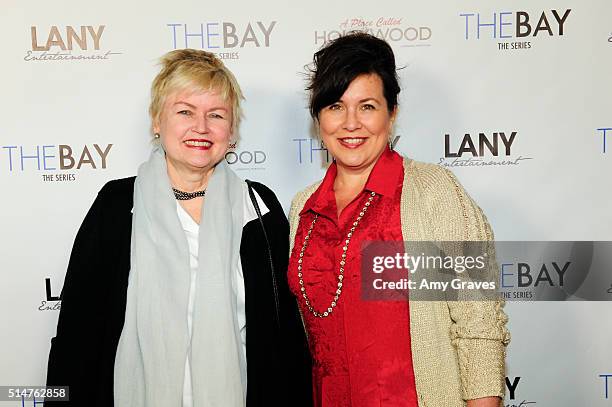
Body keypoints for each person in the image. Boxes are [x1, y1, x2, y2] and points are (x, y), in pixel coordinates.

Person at [46, 49, 311, 407]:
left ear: (231, 131)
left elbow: (286, 339)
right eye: (185, 111)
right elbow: (77, 334)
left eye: (216, 115)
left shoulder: (259, 208)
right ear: (157, 121)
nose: (201, 127)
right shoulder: (117, 205)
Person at [287, 32, 510, 407]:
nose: (351, 123)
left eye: (367, 106)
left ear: (392, 113)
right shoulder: (303, 208)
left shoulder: (433, 190)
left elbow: (478, 319)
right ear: (318, 117)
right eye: (336, 106)